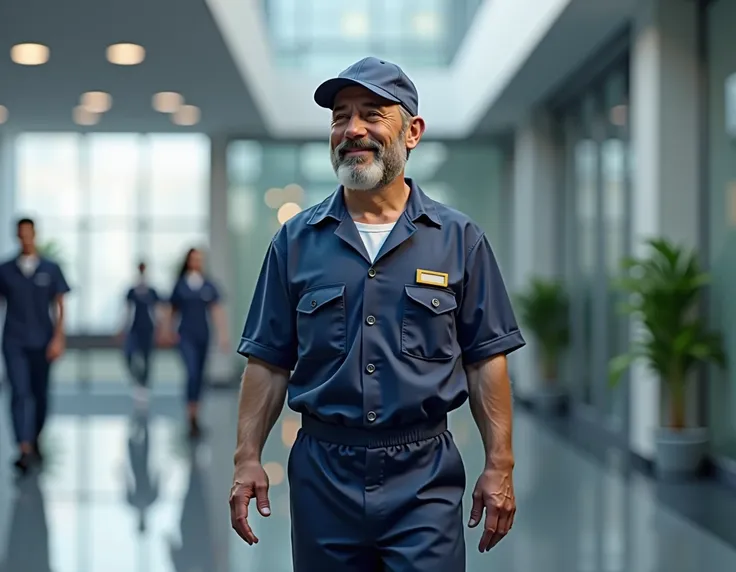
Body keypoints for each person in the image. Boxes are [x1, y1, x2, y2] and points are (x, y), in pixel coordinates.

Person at [229, 57, 526, 571]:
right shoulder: (295, 242)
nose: (353, 130)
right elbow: (268, 360)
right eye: (340, 117)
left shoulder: (458, 240)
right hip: (324, 474)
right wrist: (246, 456)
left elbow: (486, 361)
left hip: (424, 475)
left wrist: (500, 464)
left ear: (412, 132)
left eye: (372, 114)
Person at [0, 218, 70, 474]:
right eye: (21, 235)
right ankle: (24, 447)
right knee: (19, 392)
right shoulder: (6, 270)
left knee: (39, 395)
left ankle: (36, 437)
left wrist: (59, 337)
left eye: (29, 234)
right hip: (14, 342)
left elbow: (60, 304)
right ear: (16, 236)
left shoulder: (50, 269)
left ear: (35, 235)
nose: (25, 239)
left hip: (43, 342)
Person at [163, 248, 229, 438]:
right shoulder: (181, 285)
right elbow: (171, 310)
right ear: (187, 260)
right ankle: (189, 415)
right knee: (191, 372)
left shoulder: (208, 285)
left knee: (200, 376)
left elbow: (217, 311)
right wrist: (167, 331)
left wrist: (223, 335)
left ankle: (196, 416)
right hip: (185, 336)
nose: (196, 262)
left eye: (199, 259)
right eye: (193, 258)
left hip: (203, 335)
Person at [119, 262, 160, 404]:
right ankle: (136, 381)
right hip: (134, 328)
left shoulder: (152, 291)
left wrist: (160, 328)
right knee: (129, 355)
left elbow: (157, 311)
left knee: (147, 358)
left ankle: (144, 385)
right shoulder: (132, 290)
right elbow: (127, 310)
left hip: (148, 328)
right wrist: (122, 327)